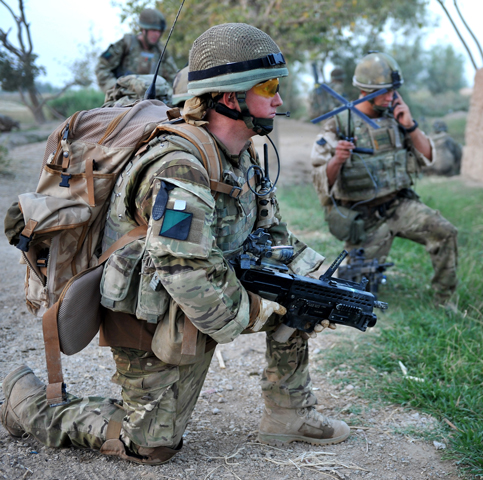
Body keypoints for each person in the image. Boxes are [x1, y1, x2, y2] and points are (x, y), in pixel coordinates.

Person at [1, 23, 350, 465]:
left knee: (301, 295)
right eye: (269, 86)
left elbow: (274, 236)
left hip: (203, 299)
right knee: (150, 445)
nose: (279, 99)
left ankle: (288, 412)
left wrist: (317, 280)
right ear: (229, 97)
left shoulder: (241, 157)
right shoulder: (179, 168)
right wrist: (260, 310)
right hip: (152, 317)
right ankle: (26, 402)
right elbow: (186, 273)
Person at [310, 52, 458, 305]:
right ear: (366, 90)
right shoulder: (340, 123)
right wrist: (338, 159)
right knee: (357, 295)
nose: (391, 97)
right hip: (364, 218)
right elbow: (320, 179)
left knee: (445, 232)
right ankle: (364, 272)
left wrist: (410, 126)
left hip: (399, 206)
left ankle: (445, 302)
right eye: (385, 92)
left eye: (394, 91)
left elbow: (429, 156)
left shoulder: (397, 117)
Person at [95, 8, 179, 93]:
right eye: (153, 30)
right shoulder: (126, 44)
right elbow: (102, 68)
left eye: (159, 31)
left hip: (154, 101)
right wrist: (114, 88)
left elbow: (175, 78)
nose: (157, 34)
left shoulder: (161, 51)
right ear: (143, 29)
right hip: (125, 100)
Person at [102, 74, 172, 107]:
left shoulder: (158, 49)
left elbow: (172, 74)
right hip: (127, 87)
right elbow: (102, 68)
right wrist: (113, 86)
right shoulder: (125, 45)